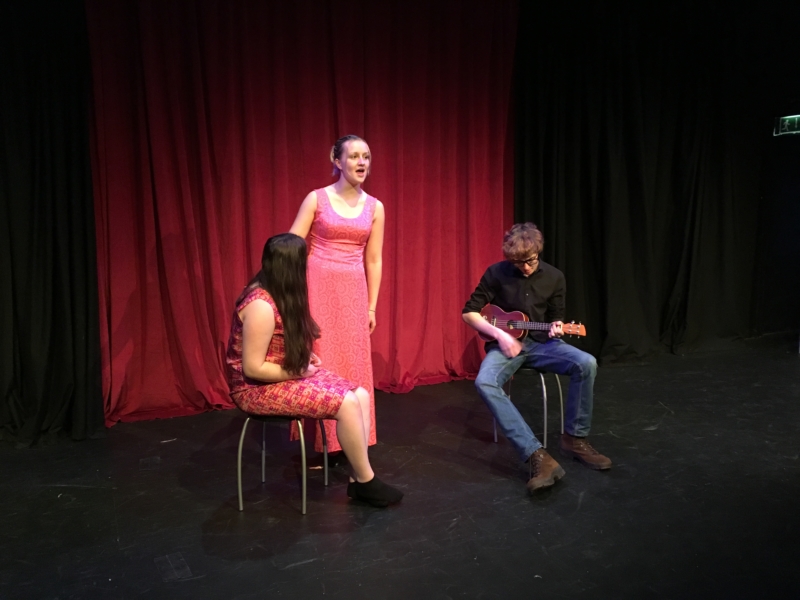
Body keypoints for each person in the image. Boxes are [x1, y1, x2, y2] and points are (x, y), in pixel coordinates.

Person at [225, 233, 402, 508]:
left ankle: (358, 478)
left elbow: (276, 344)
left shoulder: (277, 293)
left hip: (280, 376)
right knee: (347, 403)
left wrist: (304, 357)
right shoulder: (260, 305)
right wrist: (299, 372)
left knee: (361, 395)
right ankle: (367, 482)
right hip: (255, 390)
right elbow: (253, 368)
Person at [462, 222, 611, 495]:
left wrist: (557, 326)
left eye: (530, 261)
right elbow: (469, 313)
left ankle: (575, 439)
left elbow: (556, 317)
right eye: (518, 263)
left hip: (543, 344)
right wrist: (501, 336)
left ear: (538, 252)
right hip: (504, 347)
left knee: (586, 362)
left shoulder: (554, 277)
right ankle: (536, 456)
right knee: (484, 381)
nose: (526, 268)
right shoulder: (496, 273)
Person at [289, 135, 384, 458]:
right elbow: (291, 247)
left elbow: (374, 259)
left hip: (354, 291)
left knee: (353, 363)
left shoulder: (375, 207)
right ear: (337, 160)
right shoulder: (317, 199)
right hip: (318, 285)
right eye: (354, 156)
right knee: (323, 359)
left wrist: (371, 307)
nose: (362, 162)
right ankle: (320, 444)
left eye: (366, 156)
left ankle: (351, 442)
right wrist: (291, 298)